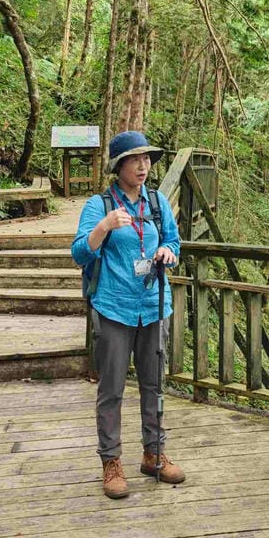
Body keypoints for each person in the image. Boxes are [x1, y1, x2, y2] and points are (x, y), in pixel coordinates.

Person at [71, 130, 184, 499]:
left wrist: (168, 251)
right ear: (118, 166)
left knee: (154, 385)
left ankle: (153, 453)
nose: (143, 166)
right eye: (135, 159)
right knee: (112, 389)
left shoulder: (156, 201)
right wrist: (104, 228)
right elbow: (79, 254)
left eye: (147, 159)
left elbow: (173, 239)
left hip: (153, 306)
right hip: (114, 307)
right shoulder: (99, 206)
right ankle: (111, 462)